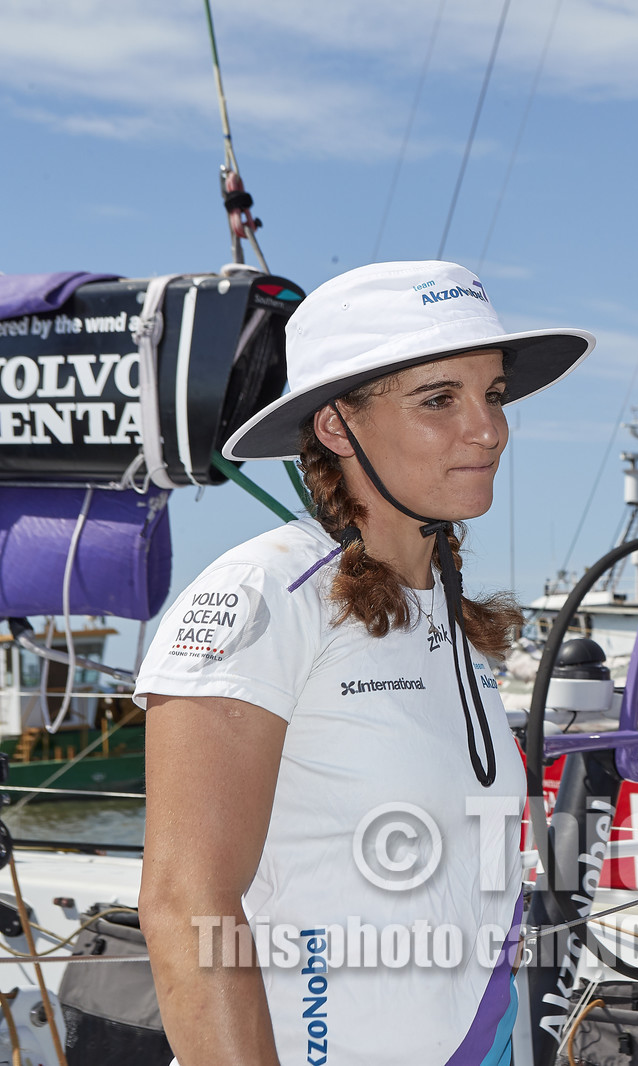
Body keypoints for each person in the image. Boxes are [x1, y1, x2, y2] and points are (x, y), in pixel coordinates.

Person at [136, 261, 593, 1065]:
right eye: (439, 399)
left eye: (492, 394)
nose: (488, 429)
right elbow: (185, 905)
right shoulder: (265, 593)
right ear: (337, 426)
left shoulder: (449, 620)